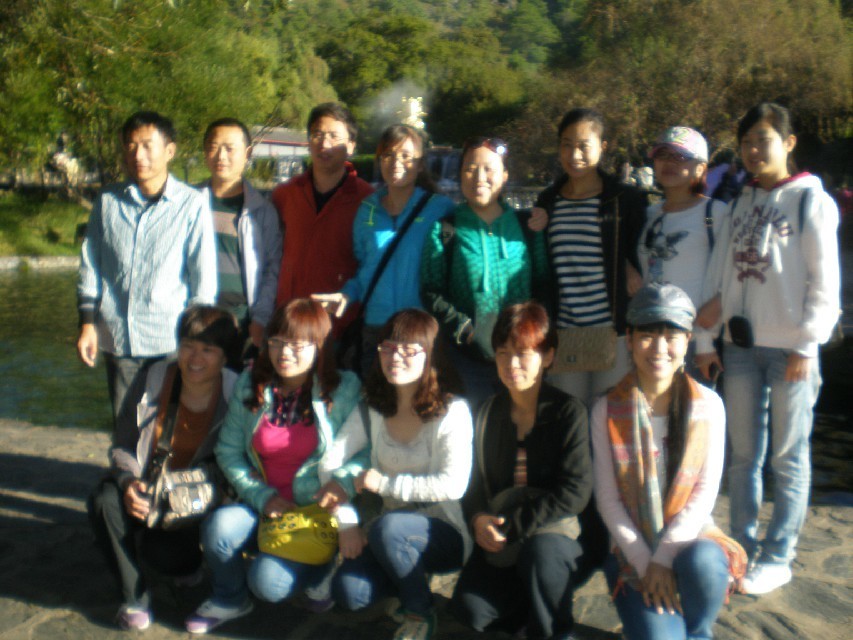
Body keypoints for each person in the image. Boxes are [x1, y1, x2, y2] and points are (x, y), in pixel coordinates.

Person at [695, 102, 840, 595]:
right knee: (742, 455)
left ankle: (779, 556)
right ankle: (741, 546)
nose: (755, 150)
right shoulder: (741, 199)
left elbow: (825, 282)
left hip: (790, 352)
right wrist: (705, 338)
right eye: (747, 142)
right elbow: (720, 275)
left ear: (788, 142)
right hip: (740, 348)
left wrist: (807, 344)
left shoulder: (810, 201)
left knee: (788, 457)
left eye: (764, 139)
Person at [184, 299, 361, 634]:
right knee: (219, 528)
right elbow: (228, 451)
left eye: (297, 345)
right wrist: (262, 496)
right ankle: (230, 598)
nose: (284, 353)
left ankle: (320, 570)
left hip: (315, 512)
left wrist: (342, 485)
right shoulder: (252, 383)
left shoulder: (344, 388)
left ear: (319, 346)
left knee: (267, 583)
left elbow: (363, 454)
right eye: (277, 342)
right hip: (263, 505)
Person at [593, 283, 742, 640]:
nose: (659, 348)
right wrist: (647, 564)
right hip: (633, 548)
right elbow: (608, 500)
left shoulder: (709, 406)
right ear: (630, 340)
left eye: (671, 336)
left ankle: (699, 632)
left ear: (687, 341)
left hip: (690, 537)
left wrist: (664, 559)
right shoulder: (606, 410)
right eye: (647, 335)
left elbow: (705, 492)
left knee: (705, 563)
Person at [450, 302, 605, 640]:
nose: (511, 364)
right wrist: (478, 518)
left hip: (559, 539)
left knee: (542, 555)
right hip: (505, 539)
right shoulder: (487, 413)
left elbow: (575, 492)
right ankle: (530, 615)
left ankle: (554, 631)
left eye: (523, 354)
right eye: (503, 354)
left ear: (547, 356)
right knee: (470, 610)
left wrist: (512, 525)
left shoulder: (568, 412)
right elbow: (472, 482)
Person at [322, 309, 473, 640]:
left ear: (430, 355)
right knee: (349, 593)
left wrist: (386, 484)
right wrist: (347, 524)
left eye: (408, 350)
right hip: (386, 531)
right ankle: (407, 584)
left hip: (442, 531)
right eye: (388, 347)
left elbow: (454, 484)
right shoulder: (373, 407)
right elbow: (329, 463)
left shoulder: (452, 411)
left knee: (391, 529)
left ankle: (420, 611)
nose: (395, 357)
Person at [88, 305, 239, 631]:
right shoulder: (153, 378)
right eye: (187, 346)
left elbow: (239, 461)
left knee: (168, 559)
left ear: (225, 357)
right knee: (104, 500)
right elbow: (122, 444)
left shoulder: (237, 393)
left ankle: (184, 561)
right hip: (147, 487)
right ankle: (134, 597)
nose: (195, 358)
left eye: (208, 350)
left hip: (192, 503)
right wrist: (129, 482)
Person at [77, 111, 217, 430]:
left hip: (170, 340)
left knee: (169, 427)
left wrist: (196, 341)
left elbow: (203, 280)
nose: (138, 155)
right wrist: (87, 324)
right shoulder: (108, 202)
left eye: (147, 145)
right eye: (131, 145)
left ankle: (162, 464)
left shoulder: (191, 204)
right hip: (119, 336)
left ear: (169, 151)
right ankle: (128, 463)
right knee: (126, 425)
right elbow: (90, 267)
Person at [312, 124, 456, 373]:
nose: (396, 163)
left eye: (406, 156)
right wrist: (346, 295)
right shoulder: (367, 209)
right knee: (373, 394)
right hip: (376, 328)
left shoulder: (440, 208)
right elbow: (365, 269)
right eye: (388, 155)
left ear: (420, 164)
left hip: (420, 328)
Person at [420, 137, 550, 410]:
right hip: (468, 358)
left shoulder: (527, 226)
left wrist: (535, 334)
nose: (479, 177)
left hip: (522, 355)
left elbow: (543, 284)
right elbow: (431, 289)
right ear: (460, 175)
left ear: (505, 175)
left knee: (523, 422)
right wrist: (464, 330)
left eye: (489, 169)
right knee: (477, 425)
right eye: (470, 169)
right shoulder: (445, 229)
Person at [533, 108, 647, 405]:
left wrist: (627, 264)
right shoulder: (549, 200)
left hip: (613, 332)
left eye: (584, 146)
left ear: (602, 147)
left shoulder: (624, 200)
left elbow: (643, 248)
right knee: (570, 418)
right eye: (567, 145)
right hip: (567, 332)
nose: (575, 155)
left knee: (610, 418)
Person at [272, 102, 374, 336]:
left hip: (337, 325)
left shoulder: (368, 201)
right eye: (317, 134)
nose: (324, 144)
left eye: (334, 136)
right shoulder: (285, 195)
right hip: (288, 320)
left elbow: (371, 263)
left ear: (351, 145)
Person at [637, 127, 727, 381]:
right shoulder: (648, 214)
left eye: (680, 157)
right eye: (663, 155)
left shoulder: (715, 213)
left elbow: (730, 275)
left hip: (695, 341)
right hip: (650, 338)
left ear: (700, 168)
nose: (669, 163)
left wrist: (705, 342)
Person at [197, 117, 282, 367]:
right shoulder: (188, 203)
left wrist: (260, 318)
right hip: (197, 316)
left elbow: (272, 268)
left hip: (241, 319)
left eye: (229, 148)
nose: (221, 156)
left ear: (247, 153)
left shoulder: (262, 211)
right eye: (213, 147)